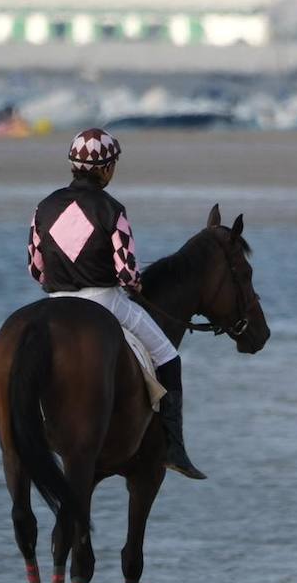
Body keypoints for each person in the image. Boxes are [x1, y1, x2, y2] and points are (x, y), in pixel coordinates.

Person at [27, 128, 206, 479]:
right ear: (106, 169)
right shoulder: (112, 209)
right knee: (169, 355)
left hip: (56, 300)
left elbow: (35, 268)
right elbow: (126, 275)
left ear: (73, 165)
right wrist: (138, 284)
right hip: (104, 301)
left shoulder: (44, 206)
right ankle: (174, 447)